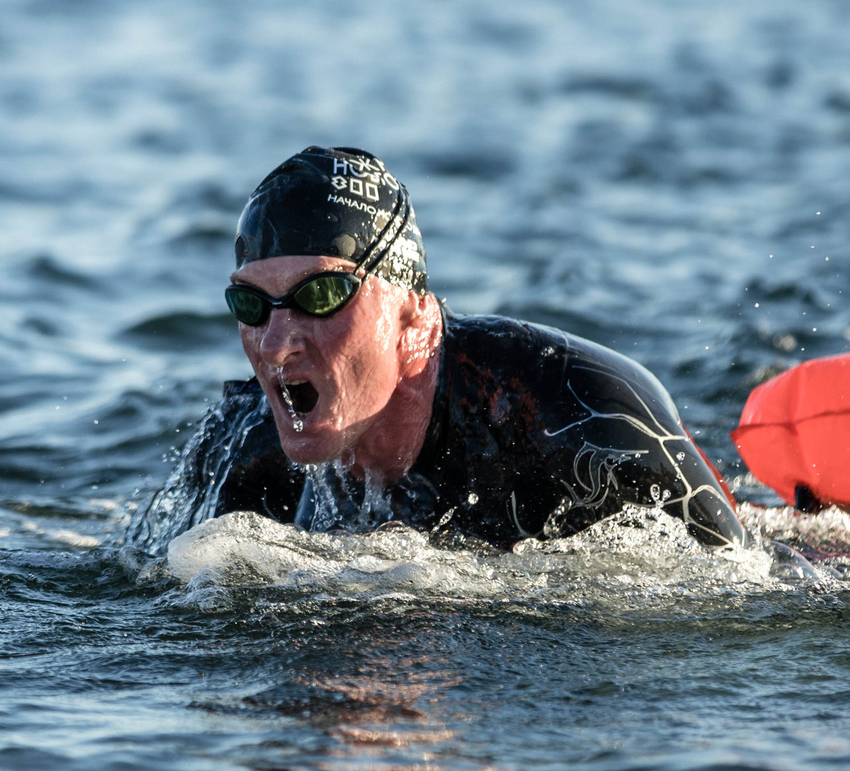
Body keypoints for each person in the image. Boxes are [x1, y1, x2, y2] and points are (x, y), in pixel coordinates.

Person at [156, 146, 744, 550]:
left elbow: (748, 593)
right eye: (253, 306)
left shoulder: (582, 414)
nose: (278, 346)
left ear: (414, 316)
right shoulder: (240, 446)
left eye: (323, 294)